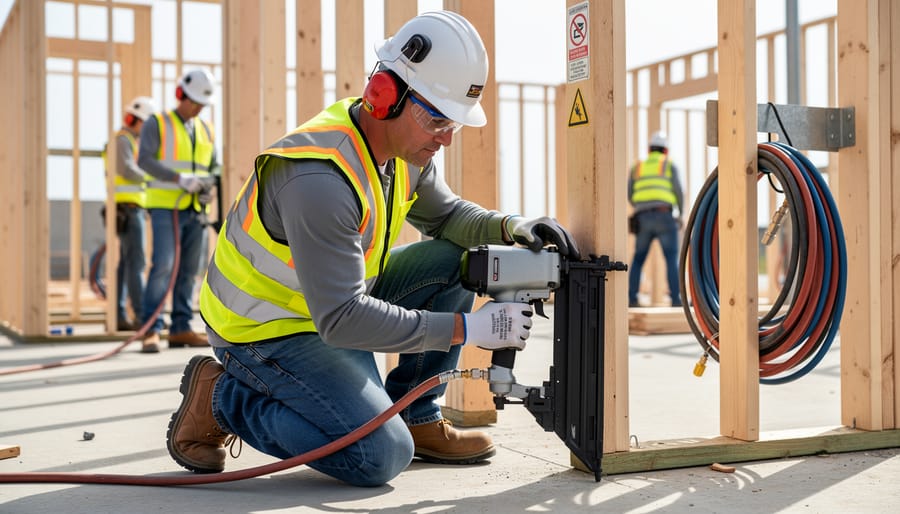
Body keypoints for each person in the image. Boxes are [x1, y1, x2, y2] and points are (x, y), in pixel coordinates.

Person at [165, 11, 580, 487]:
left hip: (329, 307)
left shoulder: (403, 155)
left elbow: (446, 218)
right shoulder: (318, 179)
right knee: (378, 455)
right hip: (264, 331)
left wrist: (513, 227)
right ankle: (222, 400)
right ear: (385, 95)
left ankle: (416, 414)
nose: (445, 138)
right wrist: (467, 328)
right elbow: (343, 319)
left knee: (457, 261)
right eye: (438, 120)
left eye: (455, 125)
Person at [138, 69, 219, 353]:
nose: (197, 109)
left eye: (201, 104)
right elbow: (144, 160)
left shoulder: (206, 129)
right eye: (194, 102)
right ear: (180, 94)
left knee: (189, 270)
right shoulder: (156, 124)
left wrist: (208, 183)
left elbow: (214, 166)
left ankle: (181, 327)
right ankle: (151, 329)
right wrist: (179, 179)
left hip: (196, 209)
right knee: (163, 266)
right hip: (166, 208)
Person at [103, 96, 156, 335]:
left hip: (126, 209)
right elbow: (126, 169)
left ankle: (120, 315)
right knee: (136, 264)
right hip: (128, 209)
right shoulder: (123, 140)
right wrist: (152, 175)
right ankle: (142, 318)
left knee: (126, 264)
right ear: (139, 121)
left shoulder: (125, 140)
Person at [627, 131, 684, 307]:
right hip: (665, 215)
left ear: (649, 149)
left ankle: (632, 299)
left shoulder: (637, 167)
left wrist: (641, 208)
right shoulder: (669, 165)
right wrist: (680, 214)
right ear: (665, 151)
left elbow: (630, 193)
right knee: (671, 258)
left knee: (638, 259)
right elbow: (679, 191)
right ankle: (676, 300)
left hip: (642, 217)